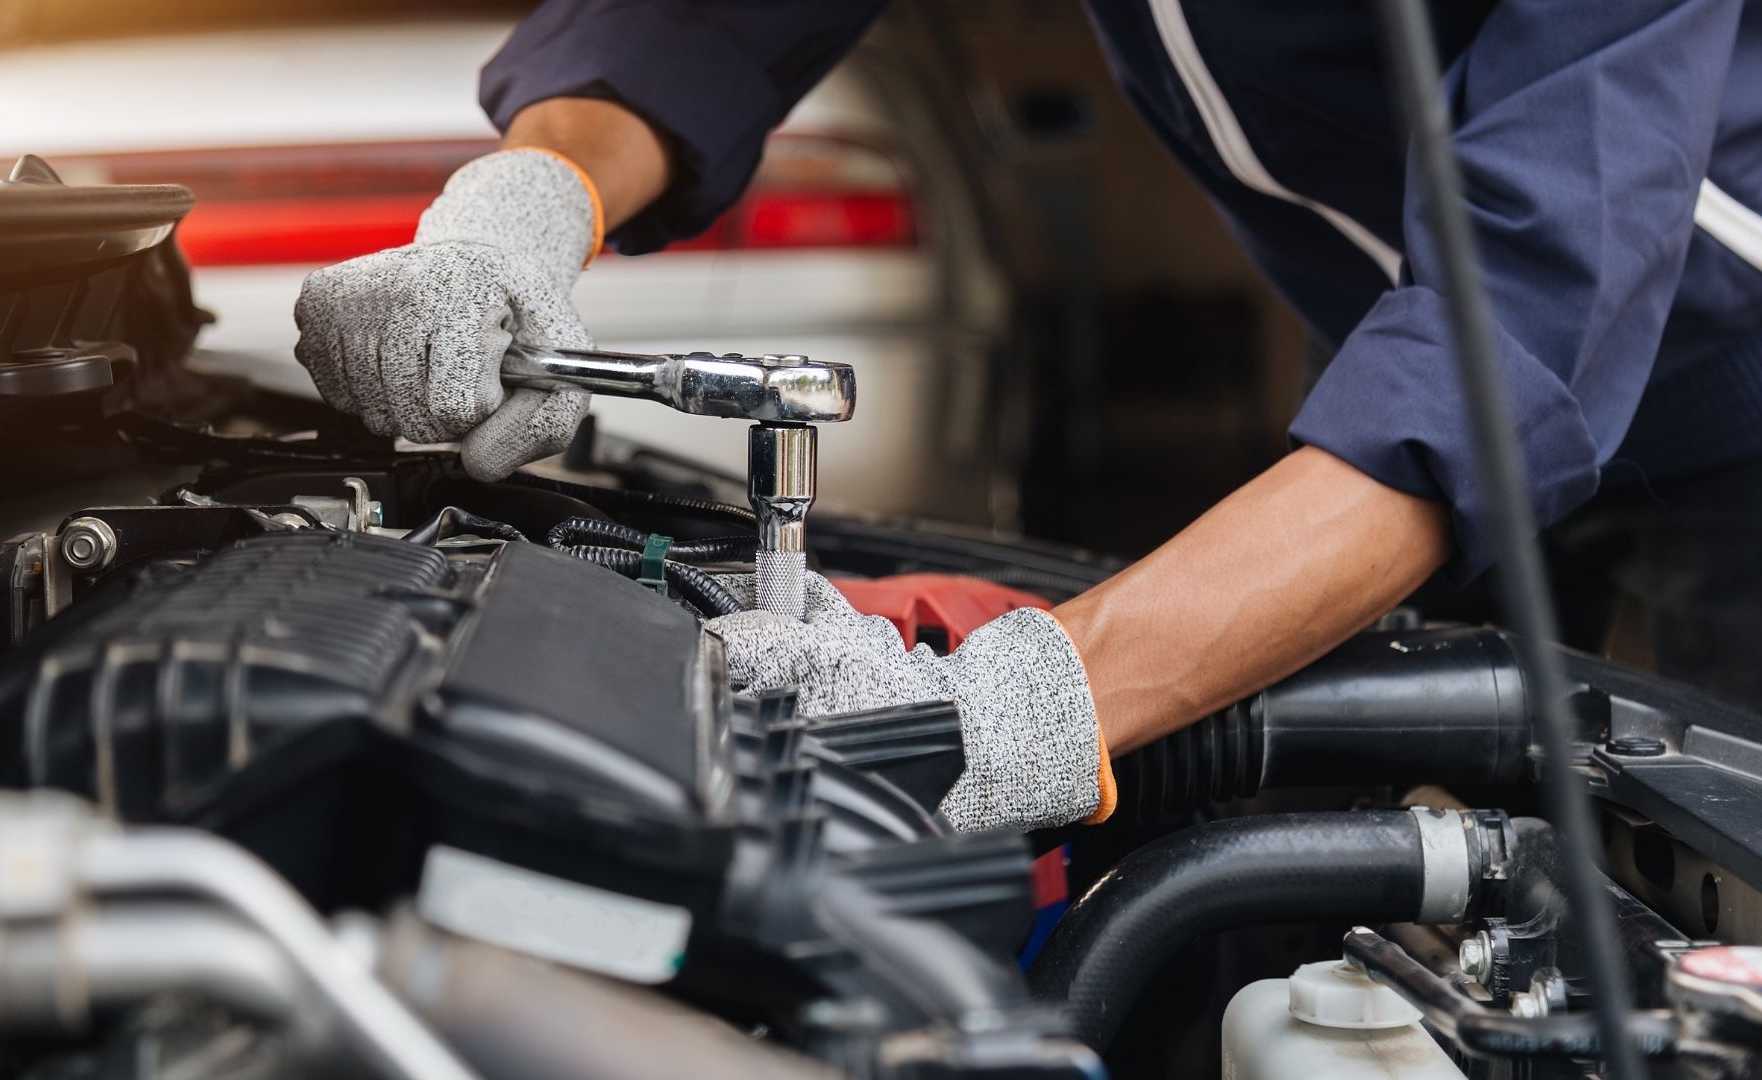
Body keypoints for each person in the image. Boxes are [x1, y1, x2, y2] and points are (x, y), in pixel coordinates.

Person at [294, 0, 1762, 833]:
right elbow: (699, 21)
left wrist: (1018, 704)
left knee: (1709, 882)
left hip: (1720, 371)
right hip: (1403, 375)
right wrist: (527, 202)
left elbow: (1524, 322)